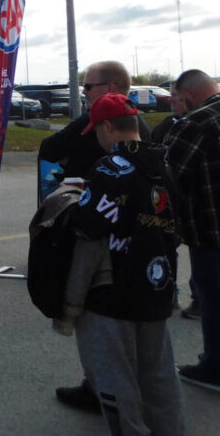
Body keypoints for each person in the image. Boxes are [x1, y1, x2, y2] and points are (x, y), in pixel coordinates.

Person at [68, 93, 185, 434]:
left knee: (117, 379)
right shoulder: (165, 162)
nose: (98, 139)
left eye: (97, 131)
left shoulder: (110, 168)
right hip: (159, 285)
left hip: (114, 289)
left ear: (108, 126)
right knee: (159, 373)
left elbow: (88, 226)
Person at [40, 60, 152, 411]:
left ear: (112, 87)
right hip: (140, 247)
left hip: (101, 235)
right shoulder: (143, 130)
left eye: (88, 87)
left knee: (96, 316)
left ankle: (104, 394)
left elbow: (50, 147)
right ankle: (125, 391)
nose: (83, 93)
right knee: (137, 327)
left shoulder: (99, 125)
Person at [164, 69, 220, 393]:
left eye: (175, 98)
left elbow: (170, 175)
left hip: (211, 235)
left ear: (190, 94)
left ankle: (214, 369)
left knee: (214, 300)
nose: (174, 104)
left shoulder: (197, 123)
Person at [152, 89, 200, 320]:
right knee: (169, 245)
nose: (171, 100)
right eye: (170, 95)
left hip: (189, 203)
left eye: (176, 96)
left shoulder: (195, 125)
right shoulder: (167, 124)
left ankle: (199, 299)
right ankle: (172, 292)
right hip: (172, 201)